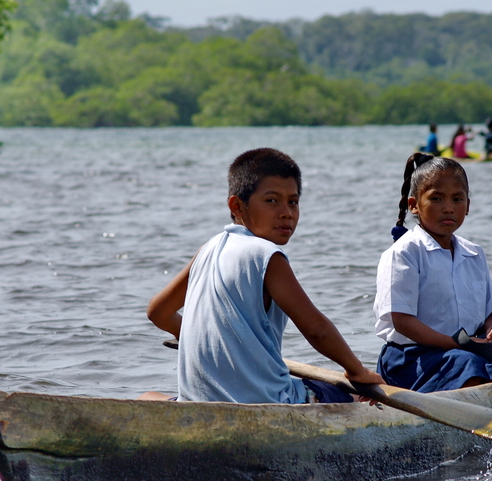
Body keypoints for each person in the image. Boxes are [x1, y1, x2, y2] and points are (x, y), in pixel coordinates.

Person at [144, 148, 383, 403]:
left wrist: (201, 338)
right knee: (359, 397)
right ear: (237, 206)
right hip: (267, 401)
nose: (286, 213)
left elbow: (157, 312)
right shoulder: (268, 255)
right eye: (272, 201)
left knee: (148, 397)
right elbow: (316, 329)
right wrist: (358, 371)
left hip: (195, 402)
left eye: (293, 201)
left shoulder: (209, 248)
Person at [374, 153, 492, 392]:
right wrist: (457, 345)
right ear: (414, 205)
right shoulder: (405, 252)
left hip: (467, 349)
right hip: (411, 358)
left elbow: (489, 314)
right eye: (437, 199)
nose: (449, 208)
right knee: (470, 370)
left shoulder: (474, 253)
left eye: (457, 199)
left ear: (468, 206)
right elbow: (402, 322)